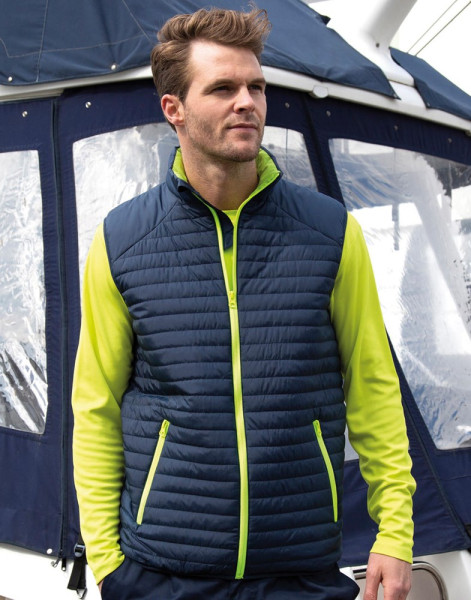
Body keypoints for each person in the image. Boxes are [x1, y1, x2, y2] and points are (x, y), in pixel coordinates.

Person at [72, 7, 416, 600]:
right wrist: (106, 561)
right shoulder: (122, 241)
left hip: (299, 569)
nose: (247, 103)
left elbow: (373, 386)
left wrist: (396, 533)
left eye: (256, 87)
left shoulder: (331, 233)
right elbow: (95, 406)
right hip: (161, 573)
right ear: (174, 109)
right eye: (223, 88)